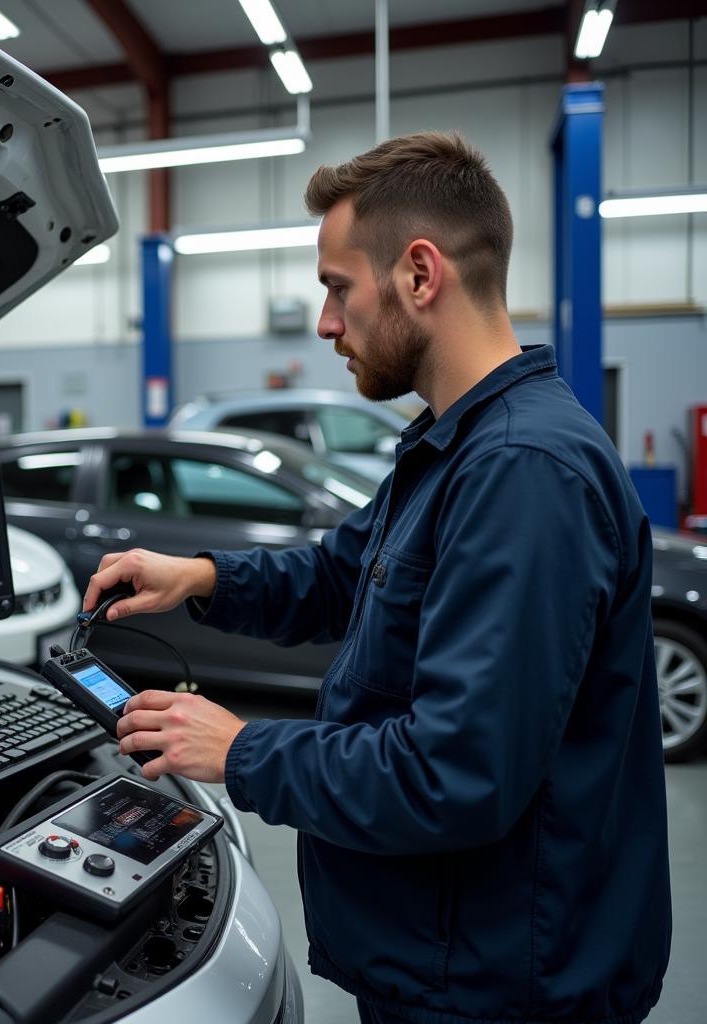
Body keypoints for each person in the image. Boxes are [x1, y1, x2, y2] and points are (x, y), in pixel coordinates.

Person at [83, 132, 671, 1024]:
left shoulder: (523, 471)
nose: (325, 324)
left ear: (420, 274)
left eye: (336, 287)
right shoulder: (457, 444)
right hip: (455, 951)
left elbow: (455, 774)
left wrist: (242, 750)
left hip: (501, 982)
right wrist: (199, 575)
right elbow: (339, 575)